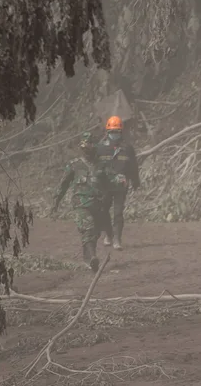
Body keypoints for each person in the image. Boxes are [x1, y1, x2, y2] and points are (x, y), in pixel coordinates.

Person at [52, 132, 124, 272]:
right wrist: (56, 202)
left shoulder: (102, 165)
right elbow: (63, 185)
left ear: (95, 147)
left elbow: (111, 179)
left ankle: (89, 260)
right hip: (81, 205)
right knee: (88, 229)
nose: (87, 150)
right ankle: (92, 257)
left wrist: (120, 180)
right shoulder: (74, 165)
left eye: (90, 146)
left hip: (98, 205)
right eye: (85, 147)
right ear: (81, 148)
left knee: (95, 233)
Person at [95, 115, 140, 250]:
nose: (114, 134)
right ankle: (108, 234)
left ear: (121, 132)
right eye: (112, 132)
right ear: (107, 132)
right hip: (105, 185)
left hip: (121, 184)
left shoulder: (127, 148)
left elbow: (133, 166)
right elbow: (95, 166)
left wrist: (135, 181)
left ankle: (117, 239)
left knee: (118, 213)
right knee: (103, 211)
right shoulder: (100, 147)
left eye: (117, 132)